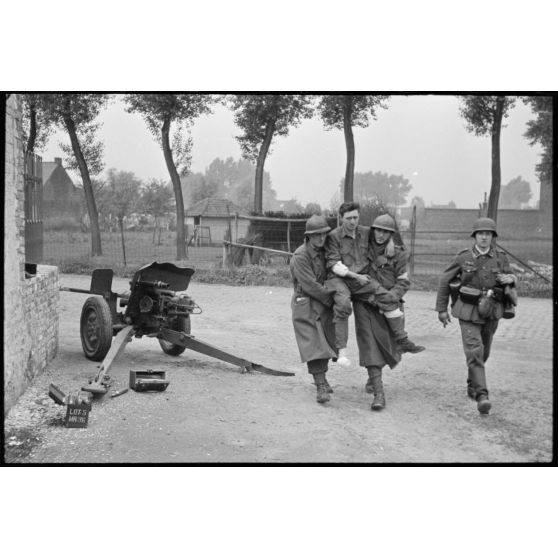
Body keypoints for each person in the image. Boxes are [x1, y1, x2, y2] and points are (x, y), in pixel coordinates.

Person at [325, 204, 424, 367]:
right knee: (345, 309)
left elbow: (384, 234)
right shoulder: (334, 236)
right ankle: (341, 351)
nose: (352, 222)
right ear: (341, 217)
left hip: (362, 282)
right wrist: (355, 276)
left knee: (388, 300)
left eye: (355, 217)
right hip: (343, 280)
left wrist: (391, 243)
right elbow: (334, 264)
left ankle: (402, 340)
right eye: (348, 218)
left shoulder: (365, 232)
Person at [435, 217, 517, 414]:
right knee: (474, 350)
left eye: (488, 234)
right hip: (468, 309)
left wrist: (511, 278)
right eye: (480, 233)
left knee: (484, 351)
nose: (484, 237)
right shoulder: (463, 257)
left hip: (492, 310)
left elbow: (511, 279)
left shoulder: (500, 257)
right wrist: (441, 309)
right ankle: (482, 395)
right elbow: (445, 280)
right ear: (474, 236)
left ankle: (473, 383)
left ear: (492, 237)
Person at [290, 215, 337, 404]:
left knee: (325, 342)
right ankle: (320, 385)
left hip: (321, 302)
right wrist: (333, 300)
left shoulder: (325, 251)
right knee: (313, 345)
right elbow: (310, 285)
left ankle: (323, 379)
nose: (320, 238)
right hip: (305, 302)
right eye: (316, 235)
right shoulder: (301, 255)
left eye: (323, 234)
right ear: (308, 236)